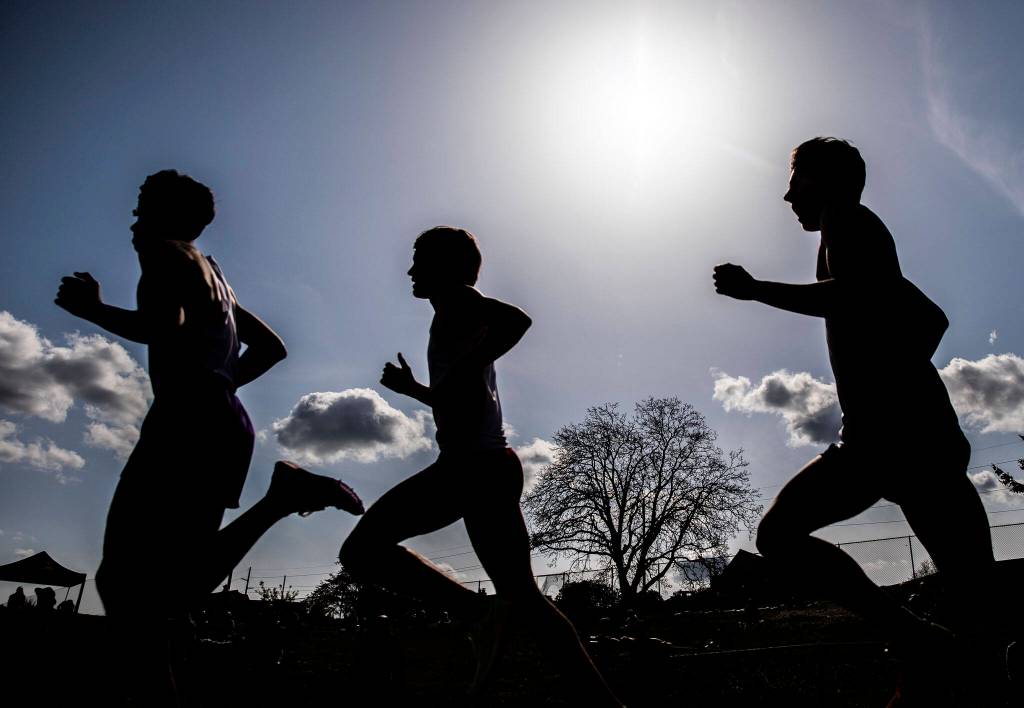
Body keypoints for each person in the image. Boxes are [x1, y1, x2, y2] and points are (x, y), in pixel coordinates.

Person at [55, 169, 364, 703]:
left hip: (188, 420)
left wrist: (93, 310)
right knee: (162, 594)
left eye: (143, 206)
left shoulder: (165, 253)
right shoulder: (213, 274)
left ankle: (279, 502)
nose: (133, 219)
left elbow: (162, 326)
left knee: (126, 586)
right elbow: (271, 348)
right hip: (222, 419)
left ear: (172, 217)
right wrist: (219, 384)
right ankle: (280, 500)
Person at [714, 137, 998, 705]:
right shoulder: (852, 233)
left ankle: (924, 644)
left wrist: (755, 290)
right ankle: (931, 648)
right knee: (974, 599)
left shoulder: (848, 220)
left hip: (900, 437)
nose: (788, 196)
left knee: (781, 536)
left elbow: (849, 297)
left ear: (826, 181)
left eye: (796, 181)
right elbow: (931, 317)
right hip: (892, 434)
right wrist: (897, 368)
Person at [339, 226, 621, 705]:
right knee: (525, 599)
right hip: (486, 464)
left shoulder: (457, 300)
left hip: (472, 467)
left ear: (446, 267)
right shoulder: (450, 313)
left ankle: (476, 613)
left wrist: (468, 366)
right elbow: (459, 398)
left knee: (362, 551)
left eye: (419, 260)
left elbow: (517, 320)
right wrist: (416, 391)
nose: (410, 271)